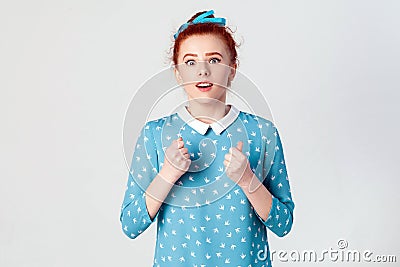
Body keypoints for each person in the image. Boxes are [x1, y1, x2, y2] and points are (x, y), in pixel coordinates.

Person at [119, 10, 295, 266]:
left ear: (232, 69)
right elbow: (130, 225)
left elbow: (284, 224)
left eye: (214, 60)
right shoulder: (154, 134)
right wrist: (167, 174)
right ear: (178, 72)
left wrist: (247, 180)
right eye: (190, 62)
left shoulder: (262, 133)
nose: (202, 71)